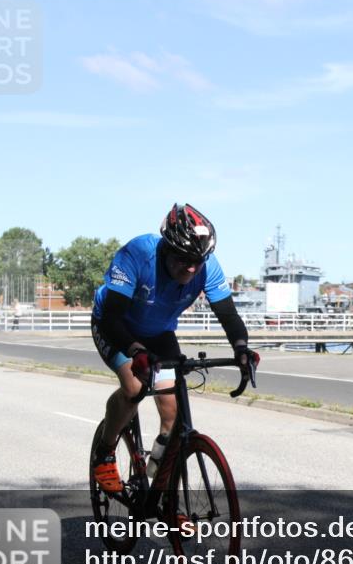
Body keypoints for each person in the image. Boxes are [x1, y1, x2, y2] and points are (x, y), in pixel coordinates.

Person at [90, 203, 257, 493]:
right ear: (166, 249)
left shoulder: (207, 267)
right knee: (133, 387)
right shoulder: (137, 254)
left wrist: (241, 348)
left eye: (198, 260)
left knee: (173, 415)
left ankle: (162, 493)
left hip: (159, 332)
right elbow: (113, 319)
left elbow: (228, 315)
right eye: (184, 259)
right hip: (117, 326)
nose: (192, 267)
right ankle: (105, 452)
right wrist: (135, 351)